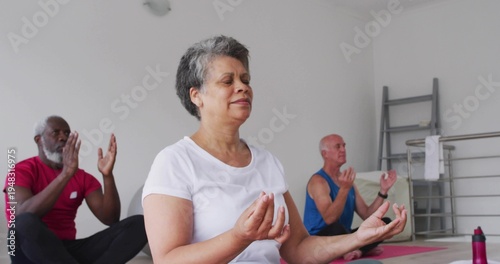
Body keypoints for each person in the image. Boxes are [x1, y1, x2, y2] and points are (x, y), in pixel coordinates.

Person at [142, 35, 407, 264]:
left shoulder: (266, 162)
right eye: (227, 81)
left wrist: (357, 238)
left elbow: (300, 250)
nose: (243, 87)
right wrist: (238, 238)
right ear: (196, 96)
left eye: (245, 79)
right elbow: (167, 260)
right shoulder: (174, 162)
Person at [3, 115, 148, 264]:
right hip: (30, 251)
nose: (63, 137)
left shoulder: (81, 177)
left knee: (140, 224)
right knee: (24, 222)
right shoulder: (20, 171)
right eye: (56, 132)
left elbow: (110, 219)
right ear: (39, 139)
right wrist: (65, 174)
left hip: (67, 251)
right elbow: (21, 214)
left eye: (67, 133)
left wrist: (107, 176)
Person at [303, 134, 398, 261]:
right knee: (335, 227)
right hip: (319, 240)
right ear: (325, 154)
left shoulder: (348, 182)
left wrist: (383, 190)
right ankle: (361, 248)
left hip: (344, 237)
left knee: (384, 223)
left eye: (344, 146)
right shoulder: (318, 182)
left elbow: (367, 215)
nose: (343, 149)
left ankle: (357, 250)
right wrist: (344, 189)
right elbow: (330, 219)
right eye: (338, 146)